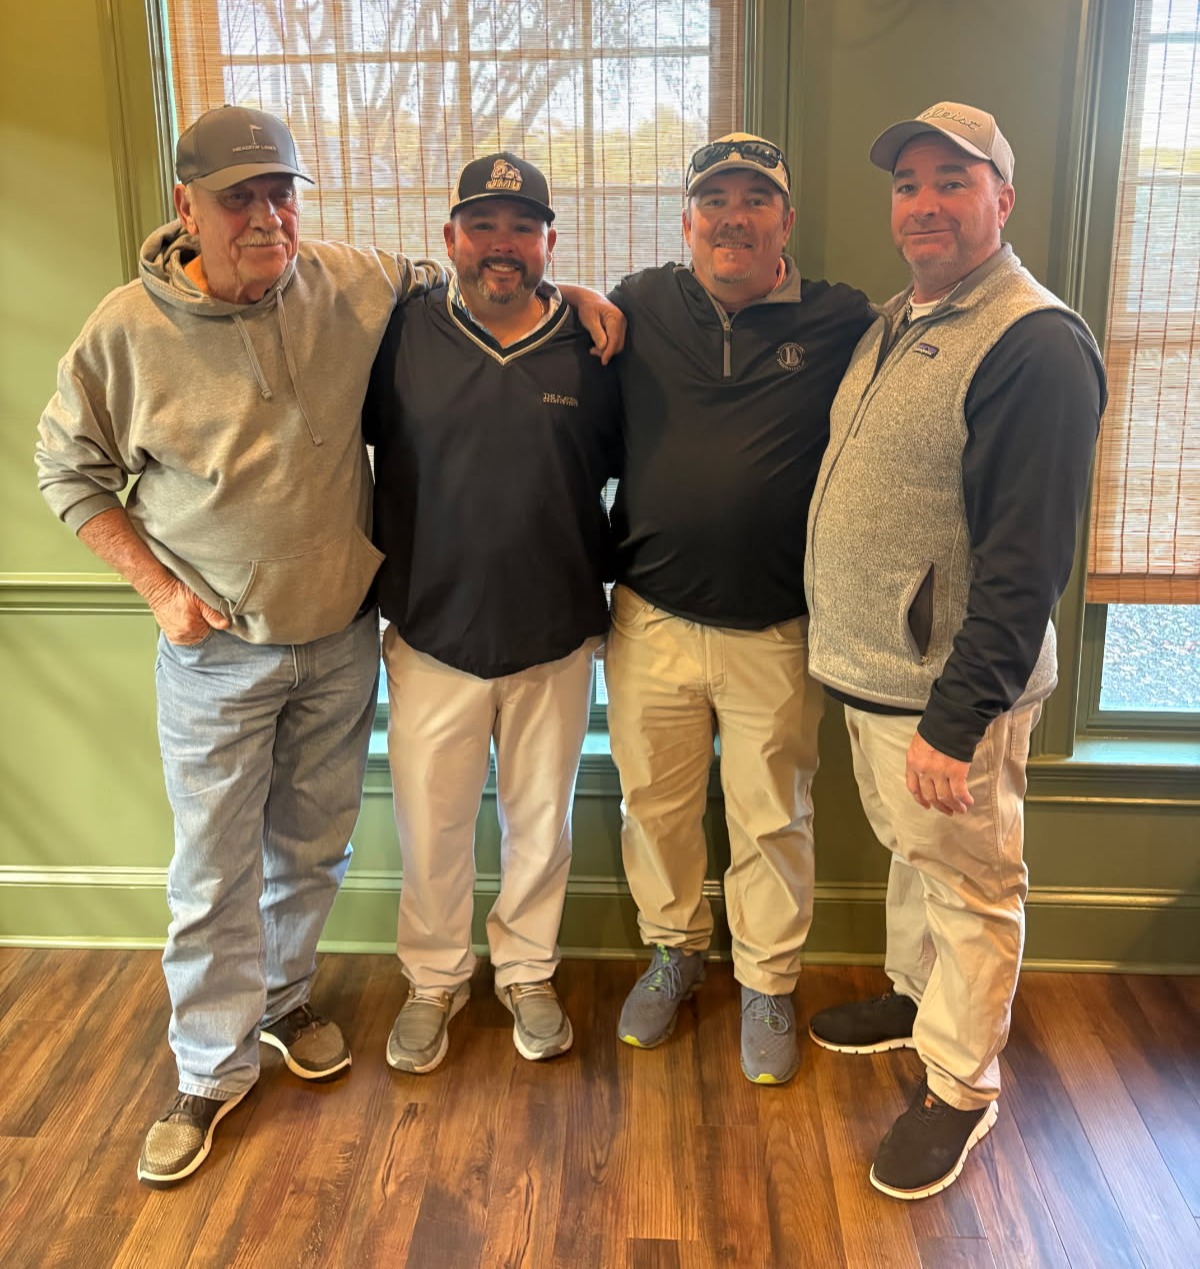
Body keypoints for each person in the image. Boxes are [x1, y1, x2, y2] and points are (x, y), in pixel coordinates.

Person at [34, 108, 620, 1188]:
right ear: (187, 208)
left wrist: (577, 292)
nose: (266, 217)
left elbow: (484, 276)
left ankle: (287, 1002)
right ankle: (208, 1070)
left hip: (344, 635)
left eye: (280, 193)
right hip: (225, 648)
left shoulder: (351, 286)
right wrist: (160, 591)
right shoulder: (127, 329)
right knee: (214, 870)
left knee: (311, 850)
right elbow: (65, 469)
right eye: (238, 198)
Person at [804, 102, 1106, 1199]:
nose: (924, 203)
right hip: (878, 671)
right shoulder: (900, 318)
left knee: (974, 884)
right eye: (908, 184)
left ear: (1002, 200)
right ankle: (915, 997)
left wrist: (957, 715)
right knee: (914, 853)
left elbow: (1027, 565)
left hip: (949, 690)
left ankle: (960, 1085)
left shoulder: (1034, 343)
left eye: (953, 181)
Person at [604, 134, 874, 1083]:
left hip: (776, 628)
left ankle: (766, 980)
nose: (734, 217)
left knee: (772, 817)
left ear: (785, 222)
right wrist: (582, 300)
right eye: (714, 200)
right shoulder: (639, 303)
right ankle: (675, 950)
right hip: (651, 617)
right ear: (687, 223)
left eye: (755, 199)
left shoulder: (843, 319)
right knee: (656, 806)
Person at [363, 154, 622, 1074]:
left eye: (522, 226)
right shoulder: (398, 335)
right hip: (432, 630)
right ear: (450, 238)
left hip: (554, 630)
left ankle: (526, 969)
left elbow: (622, 465)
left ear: (550, 241)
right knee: (431, 827)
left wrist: (584, 298)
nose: (501, 244)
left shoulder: (594, 348)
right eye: (482, 225)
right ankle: (434, 979)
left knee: (539, 822)